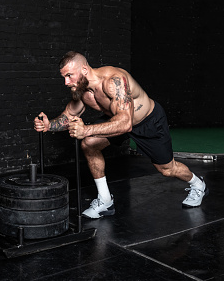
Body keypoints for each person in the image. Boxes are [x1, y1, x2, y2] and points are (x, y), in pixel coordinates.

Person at [33, 51, 207, 219]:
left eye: (69, 75)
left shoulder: (113, 81)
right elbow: (70, 115)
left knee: (167, 169)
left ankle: (198, 185)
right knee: (88, 144)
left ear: (84, 70)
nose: (66, 82)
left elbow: (126, 123)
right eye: (64, 77)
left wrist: (86, 129)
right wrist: (50, 125)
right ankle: (105, 200)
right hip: (117, 120)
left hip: (148, 122)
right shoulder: (82, 89)